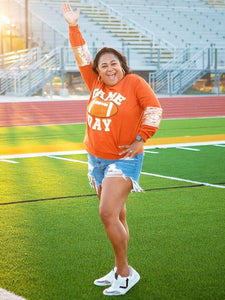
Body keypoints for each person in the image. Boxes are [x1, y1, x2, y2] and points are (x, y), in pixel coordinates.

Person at [61, 2, 162, 296]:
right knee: (117, 216)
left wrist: (142, 137)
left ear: (122, 64)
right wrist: (73, 26)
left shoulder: (134, 83)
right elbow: (81, 54)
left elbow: (154, 108)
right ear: (98, 71)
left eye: (113, 63)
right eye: (103, 65)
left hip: (124, 160)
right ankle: (120, 268)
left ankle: (125, 273)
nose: (109, 68)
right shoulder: (94, 84)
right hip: (96, 160)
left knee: (106, 214)